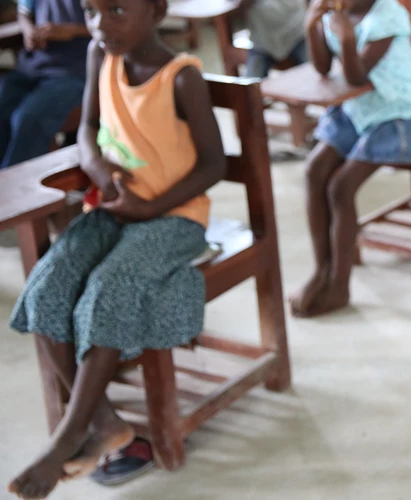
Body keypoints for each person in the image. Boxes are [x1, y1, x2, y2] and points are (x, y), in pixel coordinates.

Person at [5, 0, 228, 497]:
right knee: (48, 284)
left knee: (110, 285)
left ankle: (67, 436)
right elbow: (86, 129)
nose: (101, 24)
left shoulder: (181, 76)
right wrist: (102, 172)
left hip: (174, 217)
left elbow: (213, 165)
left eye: (118, 9)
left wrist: (149, 210)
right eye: (90, 10)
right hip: (110, 207)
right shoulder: (97, 56)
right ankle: (103, 422)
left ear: (156, 11)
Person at [290, 0, 411, 317]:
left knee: (340, 188)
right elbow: (321, 67)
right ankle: (321, 270)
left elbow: (356, 76)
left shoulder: (389, 15)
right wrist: (311, 27)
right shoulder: (336, 13)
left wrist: (346, 38)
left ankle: (339, 285)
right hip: (357, 109)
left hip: (399, 112)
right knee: (314, 171)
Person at [0, 0, 89, 169]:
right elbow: (24, 11)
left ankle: (17, 187)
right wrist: (29, 32)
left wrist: (73, 30)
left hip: (76, 71)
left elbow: (118, 24)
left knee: (28, 118)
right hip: (33, 66)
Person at [235, 0, 309, 78]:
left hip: (296, 35)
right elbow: (237, 16)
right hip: (262, 43)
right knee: (250, 82)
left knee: (314, 72)